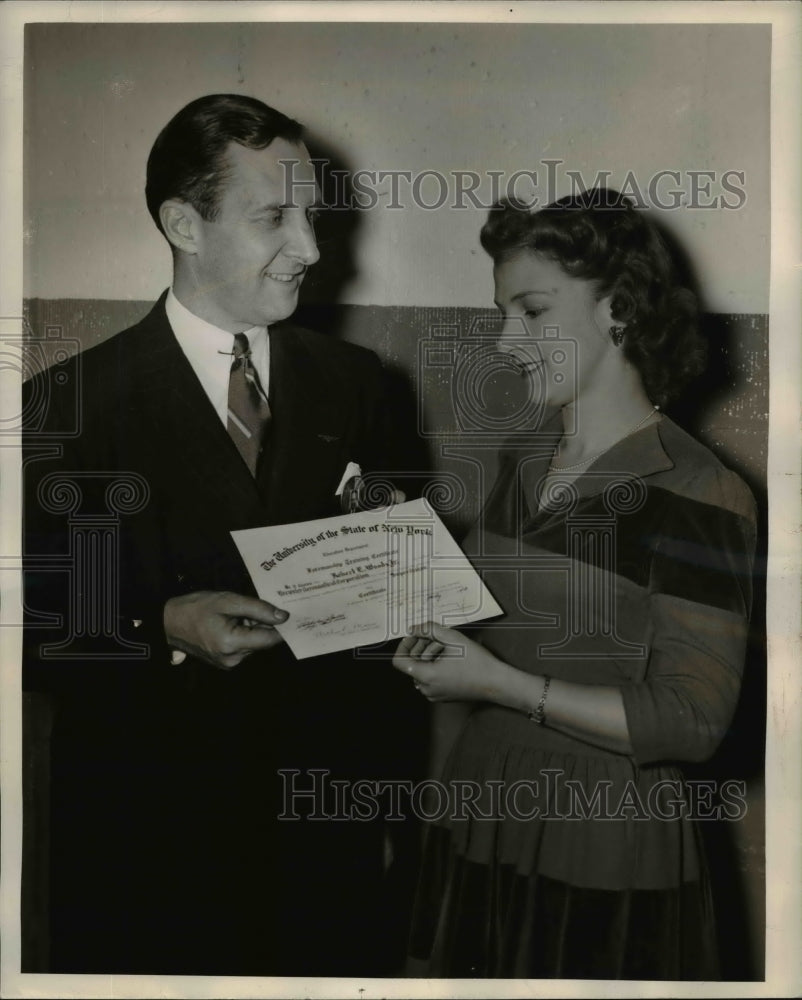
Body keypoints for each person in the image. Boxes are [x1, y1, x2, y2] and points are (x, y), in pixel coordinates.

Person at [22, 93, 422, 976]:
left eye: (313, 215)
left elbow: (394, 601)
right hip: (146, 846)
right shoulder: (70, 404)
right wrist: (160, 626)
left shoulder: (357, 384)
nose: (312, 248)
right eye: (275, 217)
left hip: (324, 840)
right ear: (183, 223)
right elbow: (30, 621)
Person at [393, 189, 757, 979]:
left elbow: (693, 722)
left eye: (531, 311)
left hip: (602, 836)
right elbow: (484, 639)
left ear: (618, 310)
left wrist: (499, 682)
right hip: (478, 810)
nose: (505, 339)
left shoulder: (701, 490)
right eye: (501, 313)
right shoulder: (521, 460)